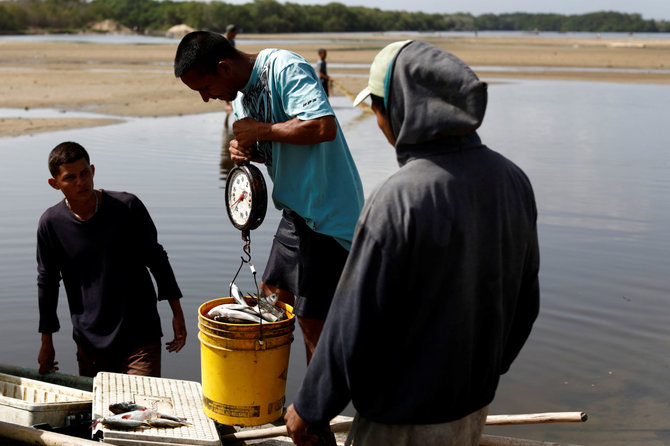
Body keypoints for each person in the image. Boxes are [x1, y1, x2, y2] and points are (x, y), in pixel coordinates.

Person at [284, 40, 540, 445]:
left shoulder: (398, 197)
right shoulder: (512, 180)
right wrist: (484, 374)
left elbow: (353, 321)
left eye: (378, 109)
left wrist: (310, 407)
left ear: (404, 109)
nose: (379, 122)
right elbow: (525, 304)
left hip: (400, 419)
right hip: (472, 408)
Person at [174, 31, 364, 363]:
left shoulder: (283, 67)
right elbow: (275, 146)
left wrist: (260, 131)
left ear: (223, 68)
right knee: (270, 299)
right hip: (295, 213)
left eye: (205, 88)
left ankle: (315, 411)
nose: (206, 98)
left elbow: (322, 126)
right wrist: (246, 150)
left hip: (328, 215)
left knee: (311, 320)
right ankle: (269, 394)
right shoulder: (241, 101)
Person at [37, 142, 186, 378]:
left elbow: (157, 259)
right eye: (70, 178)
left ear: (93, 171)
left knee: (142, 410)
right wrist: (47, 341)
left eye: (84, 173)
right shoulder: (51, 224)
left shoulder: (127, 207)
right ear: (54, 184)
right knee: (99, 414)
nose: (80, 182)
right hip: (89, 342)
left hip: (140, 336)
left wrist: (177, 313)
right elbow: (47, 282)